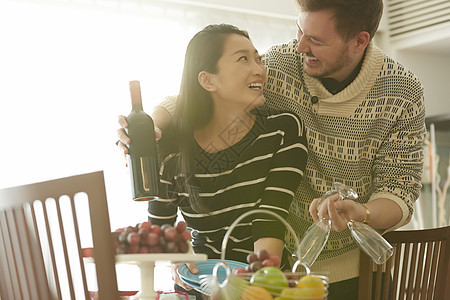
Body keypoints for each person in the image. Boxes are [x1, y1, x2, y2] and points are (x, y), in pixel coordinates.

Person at [118, 1, 426, 299]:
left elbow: (399, 191)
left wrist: (362, 212)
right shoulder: (281, 65)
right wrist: (148, 128)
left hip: (355, 269)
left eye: (316, 40)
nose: (301, 46)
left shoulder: (401, 92)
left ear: (359, 40)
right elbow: (207, 90)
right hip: (281, 268)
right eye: (299, 30)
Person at [118, 24, 308, 296]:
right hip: (200, 284)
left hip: (262, 284)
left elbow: (269, 217)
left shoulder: (282, 131)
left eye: (258, 58)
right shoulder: (170, 150)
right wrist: (181, 258)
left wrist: (262, 282)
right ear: (208, 81)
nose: (259, 69)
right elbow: (161, 227)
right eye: (243, 59)